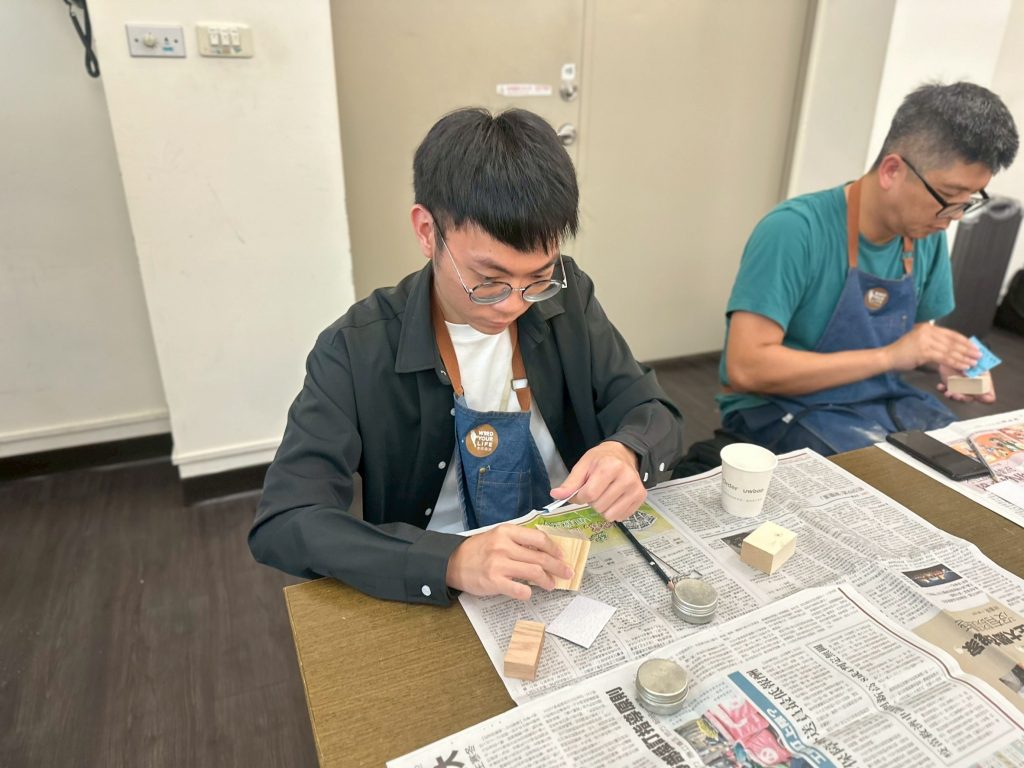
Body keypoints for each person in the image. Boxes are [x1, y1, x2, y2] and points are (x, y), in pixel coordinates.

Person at [249, 107, 685, 605]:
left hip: (569, 557)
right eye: (488, 280)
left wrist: (627, 451)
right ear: (426, 231)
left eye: (537, 279)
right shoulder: (356, 348)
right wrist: (450, 560)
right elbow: (285, 522)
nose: (513, 304)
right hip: (443, 586)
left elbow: (654, 411)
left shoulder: (568, 298)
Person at [718, 82, 1018, 455]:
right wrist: (890, 357)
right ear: (892, 170)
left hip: (877, 399)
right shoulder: (795, 230)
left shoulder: (925, 233)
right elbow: (747, 368)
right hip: (780, 407)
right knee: (892, 476)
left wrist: (947, 361)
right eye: (948, 197)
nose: (953, 217)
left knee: (972, 458)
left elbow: (915, 337)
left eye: (968, 200)